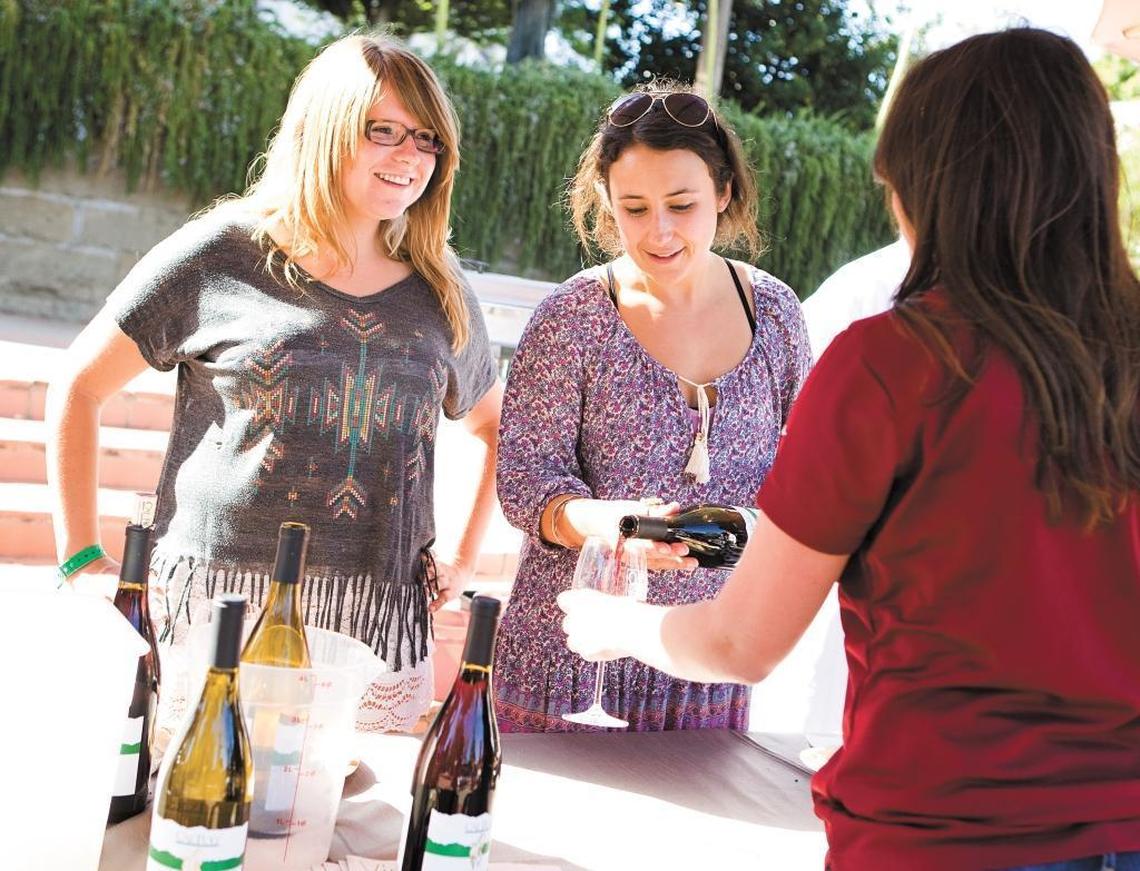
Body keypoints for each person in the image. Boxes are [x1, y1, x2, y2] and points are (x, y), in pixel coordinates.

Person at [560, 28, 1140, 870]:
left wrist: (621, 626)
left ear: (926, 188)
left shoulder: (892, 362)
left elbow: (741, 641)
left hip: (940, 835)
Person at [45, 34, 503, 733]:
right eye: (382, 131)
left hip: (367, 636)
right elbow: (78, 385)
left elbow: (494, 425)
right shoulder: (223, 251)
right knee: (190, 825)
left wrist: (465, 557)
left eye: (426, 138)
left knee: (337, 832)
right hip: (213, 617)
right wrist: (81, 558)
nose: (409, 155)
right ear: (325, 129)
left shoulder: (440, 286)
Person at [493, 83, 811, 732]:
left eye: (682, 204)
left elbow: (800, 477)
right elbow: (525, 482)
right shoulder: (573, 315)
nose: (659, 231)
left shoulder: (776, 314)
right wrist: (619, 525)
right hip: (568, 665)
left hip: (704, 667)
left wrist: (741, 535)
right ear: (608, 205)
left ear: (723, 194)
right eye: (634, 208)